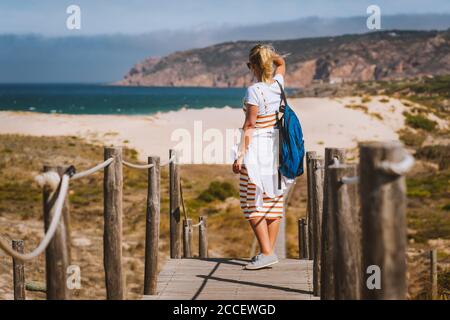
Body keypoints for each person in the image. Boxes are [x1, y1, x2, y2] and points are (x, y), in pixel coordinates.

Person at [232, 44, 293, 270]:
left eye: (250, 64)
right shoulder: (278, 85)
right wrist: (271, 57)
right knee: (273, 201)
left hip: (258, 150)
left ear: (254, 66)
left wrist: (240, 155)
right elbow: (282, 63)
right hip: (277, 150)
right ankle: (268, 253)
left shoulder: (254, 90)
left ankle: (267, 252)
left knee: (250, 202)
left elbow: (250, 126)